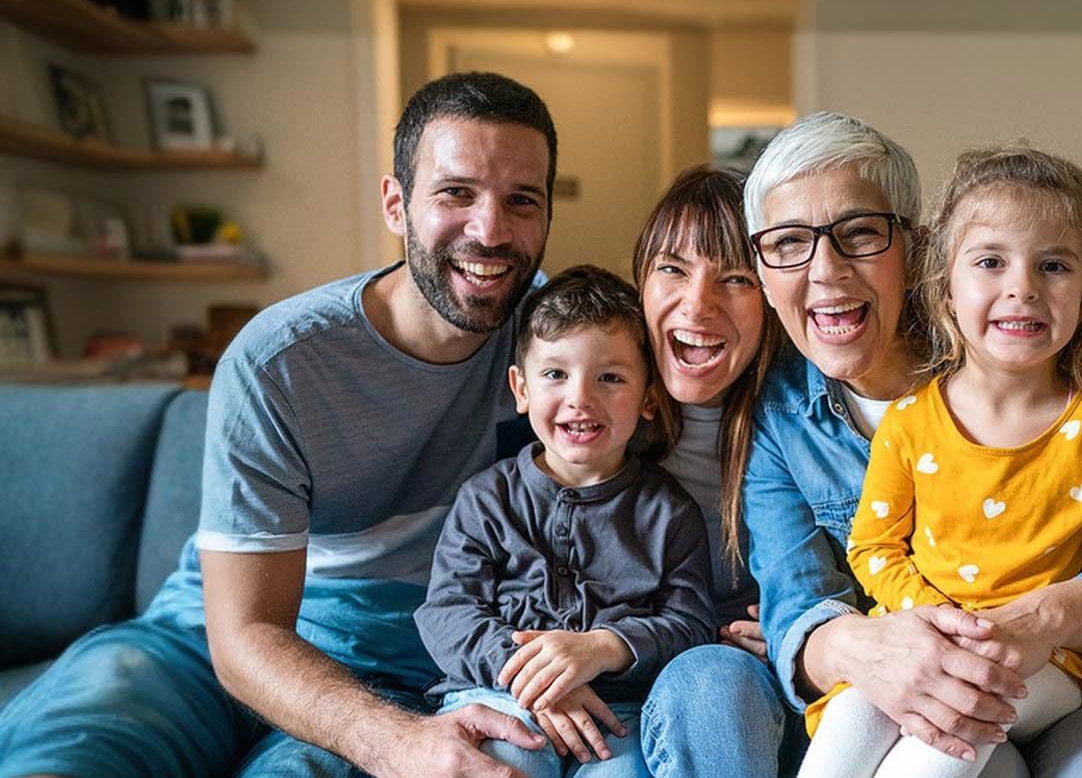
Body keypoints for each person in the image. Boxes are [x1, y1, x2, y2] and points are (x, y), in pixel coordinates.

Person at [0, 71, 562, 778]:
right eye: (456, 192)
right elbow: (245, 635)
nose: (490, 230)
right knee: (70, 754)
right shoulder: (281, 361)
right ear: (395, 203)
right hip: (203, 646)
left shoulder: (557, 347)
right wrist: (392, 742)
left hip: (391, 669)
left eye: (522, 201)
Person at [742, 112, 1082, 777]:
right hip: (895, 669)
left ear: (917, 248)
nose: (826, 269)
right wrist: (877, 647)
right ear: (763, 272)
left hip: (1066, 668)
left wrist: (1045, 619)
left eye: (859, 233)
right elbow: (798, 599)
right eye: (788, 242)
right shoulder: (786, 419)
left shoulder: (1038, 366)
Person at [416, 265, 715, 778]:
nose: (581, 397)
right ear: (521, 387)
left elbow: (689, 623)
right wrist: (531, 680)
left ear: (648, 397)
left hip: (617, 714)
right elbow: (449, 612)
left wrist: (606, 647)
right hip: (499, 698)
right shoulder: (486, 500)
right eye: (556, 374)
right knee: (505, 762)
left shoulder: (669, 512)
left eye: (610, 377)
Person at [626, 167, 801, 778]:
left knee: (713, 684)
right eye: (672, 269)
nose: (697, 304)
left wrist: (800, 631)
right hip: (626, 679)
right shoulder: (591, 411)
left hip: (755, 691)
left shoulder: (805, 425)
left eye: (735, 278)